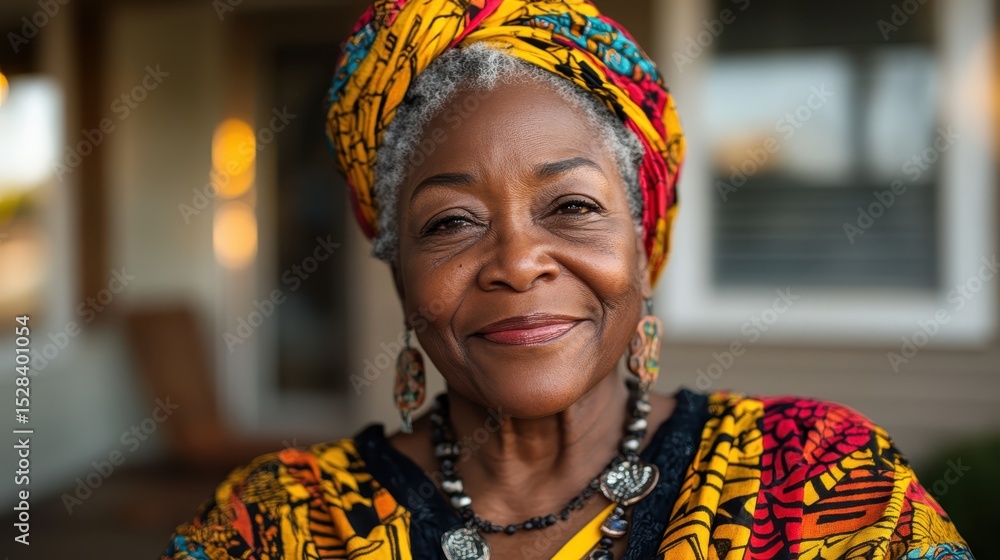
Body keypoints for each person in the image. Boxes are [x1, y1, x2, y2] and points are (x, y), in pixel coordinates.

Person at [162, 1, 972, 558]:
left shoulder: (820, 482)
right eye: (450, 223)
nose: (517, 263)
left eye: (573, 206)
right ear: (400, 273)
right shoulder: (273, 528)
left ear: (642, 240)